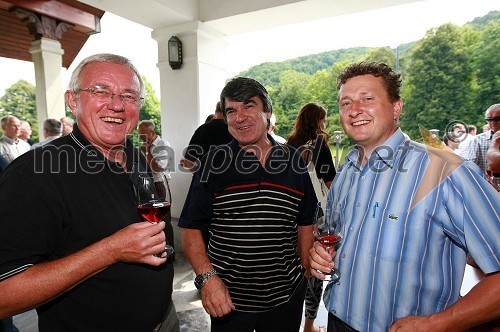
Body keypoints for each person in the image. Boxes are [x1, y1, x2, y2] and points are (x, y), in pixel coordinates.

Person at [309, 61, 500, 331]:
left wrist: (440, 323)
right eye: (346, 103)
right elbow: (335, 237)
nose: (355, 111)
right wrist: (321, 252)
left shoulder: (444, 171)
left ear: (396, 107)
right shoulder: (346, 171)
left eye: (368, 99)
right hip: (338, 320)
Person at [0, 53, 179, 332]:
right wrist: (111, 250)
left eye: (129, 96)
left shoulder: (133, 154)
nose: (117, 105)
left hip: (165, 319)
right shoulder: (35, 174)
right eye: (100, 91)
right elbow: (4, 295)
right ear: (73, 101)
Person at [178, 77, 317, 332]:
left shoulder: (293, 160)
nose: (239, 117)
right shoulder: (213, 162)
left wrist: (306, 272)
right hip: (229, 301)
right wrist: (208, 280)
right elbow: (189, 227)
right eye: (231, 110)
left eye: (248, 106)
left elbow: (305, 221)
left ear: (268, 113)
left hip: (286, 299)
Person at [286, 102, 336, 332]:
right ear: (316, 121)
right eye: (323, 119)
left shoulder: (290, 144)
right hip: (316, 218)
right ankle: (308, 325)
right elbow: (331, 184)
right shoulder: (319, 145)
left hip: (291, 216)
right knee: (314, 271)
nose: (324, 123)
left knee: (295, 267)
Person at [137, 119, 176, 257]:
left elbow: (157, 167)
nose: (140, 138)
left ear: (152, 132)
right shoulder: (144, 146)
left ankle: (170, 252)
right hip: (148, 184)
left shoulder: (162, 145)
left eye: (143, 135)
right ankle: (156, 249)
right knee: (150, 221)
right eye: (139, 135)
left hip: (160, 185)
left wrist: (147, 152)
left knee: (164, 220)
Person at [180, 101, 233, 172]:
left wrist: (198, 176)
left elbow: (189, 162)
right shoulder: (233, 130)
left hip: (207, 178)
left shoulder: (201, 130)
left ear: (215, 111)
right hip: (231, 178)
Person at [465, 104, 500, 189]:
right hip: (489, 192)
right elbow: (469, 169)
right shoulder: (477, 140)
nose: (493, 123)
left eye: (498, 119)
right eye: (489, 120)